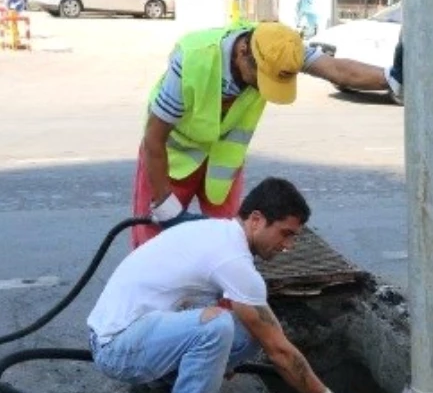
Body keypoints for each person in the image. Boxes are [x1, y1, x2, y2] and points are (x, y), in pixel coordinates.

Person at [88, 177, 360, 393]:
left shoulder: (219, 234)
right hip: (115, 347)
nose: (288, 246)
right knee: (216, 327)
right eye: (285, 234)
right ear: (256, 220)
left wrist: (213, 361)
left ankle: (159, 385)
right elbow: (280, 352)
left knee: (250, 331)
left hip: (137, 334)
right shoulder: (232, 259)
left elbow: (264, 333)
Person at [132, 20, 403, 249]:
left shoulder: (280, 48)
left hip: (221, 165)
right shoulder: (192, 59)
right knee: (153, 243)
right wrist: (166, 205)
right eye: (262, 79)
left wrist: (390, 79)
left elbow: (338, 70)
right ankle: (148, 310)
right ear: (241, 53)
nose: (264, 88)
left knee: (231, 242)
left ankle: (224, 309)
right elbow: (154, 139)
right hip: (170, 159)